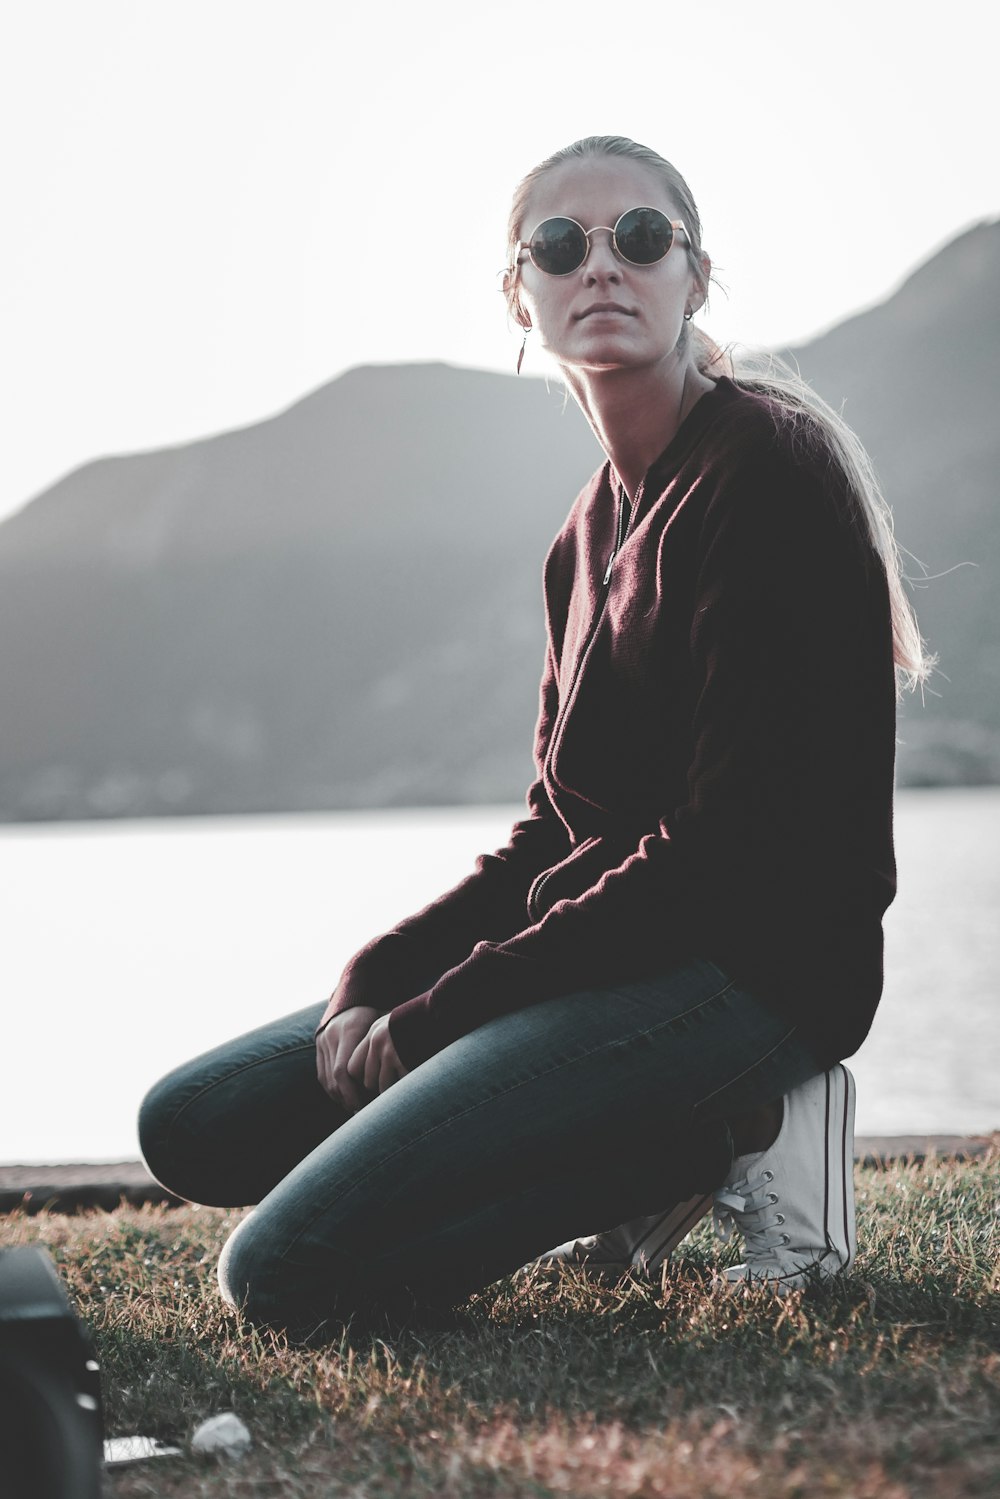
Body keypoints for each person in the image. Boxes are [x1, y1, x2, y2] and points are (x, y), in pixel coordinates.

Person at [139, 136, 929, 1338]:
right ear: (521, 294)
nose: (599, 266)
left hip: (757, 974)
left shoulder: (767, 471)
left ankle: (729, 1127)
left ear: (695, 275)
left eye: (640, 238)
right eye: (559, 245)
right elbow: (559, 825)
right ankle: (641, 1135)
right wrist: (378, 982)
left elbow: (721, 856)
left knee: (284, 1274)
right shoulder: (582, 533)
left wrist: (439, 1017)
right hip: (621, 951)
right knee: (192, 1120)